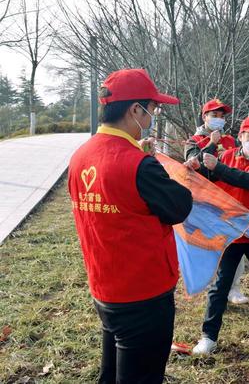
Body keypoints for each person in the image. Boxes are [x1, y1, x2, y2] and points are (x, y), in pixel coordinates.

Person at [68, 68, 193, 384]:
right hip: (144, 298)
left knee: (110, 374)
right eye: (152, 109)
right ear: (135, 110)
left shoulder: (80, 157)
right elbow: (180, 206)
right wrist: (157, 167)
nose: (153, 116)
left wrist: (143, 160)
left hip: (105, 289)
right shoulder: (140, 165)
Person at [187, 115, 249, 355]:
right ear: (241, 137)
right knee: (220, 285)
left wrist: (217, 167)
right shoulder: (227, 156)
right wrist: (197, 167)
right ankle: (209, 336)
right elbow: (207, 178)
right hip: (230, 232)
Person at [184, 98, 248, 305]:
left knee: (234, 243)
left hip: (230, 200)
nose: (219, 119)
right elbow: (198, 167)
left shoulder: (230, 141)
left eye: (222, 116)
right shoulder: (193, 140)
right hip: (205, 201)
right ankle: (214, 287)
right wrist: (211, 143)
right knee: (211, 246)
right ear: (205, 117)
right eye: (215, 115)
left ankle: (234, 287)